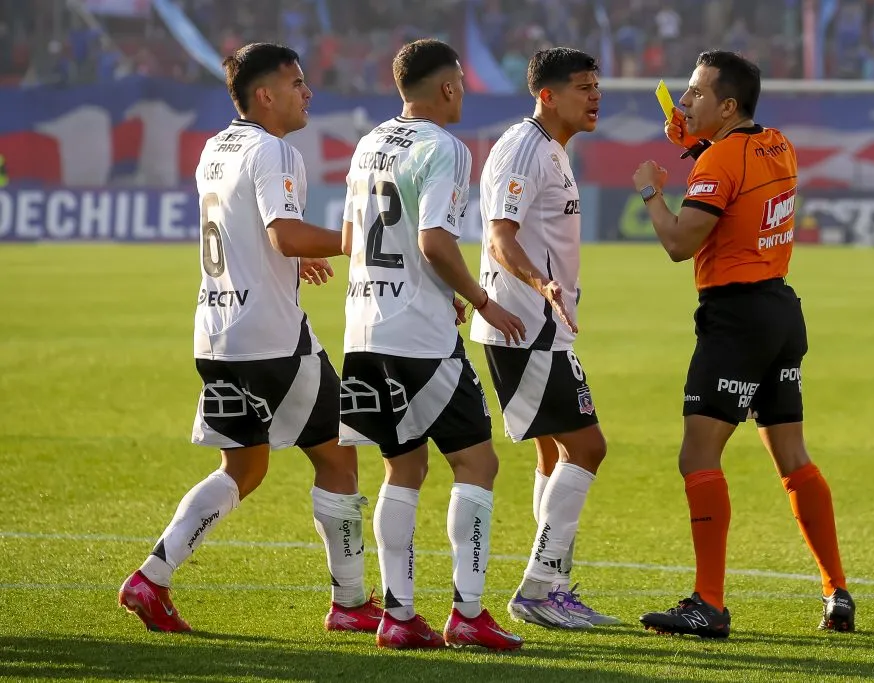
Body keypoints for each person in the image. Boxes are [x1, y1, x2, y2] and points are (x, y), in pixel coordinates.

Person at [117, 43, 382, 635]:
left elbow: (251, 235)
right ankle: (351, 601)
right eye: (296, 82)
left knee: (242, 466)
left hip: (215, 334)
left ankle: (151, 579)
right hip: (272, 339)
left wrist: (289, 260)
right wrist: (353, 238)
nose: (307, 91)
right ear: (265, 94)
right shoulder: (276, 150)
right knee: (339, 458)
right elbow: (284, 234)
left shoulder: (216, 147)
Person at [632, 50, 855, 638]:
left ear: (727, 105)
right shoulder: (776, 142)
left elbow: (681, 243)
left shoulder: (722, 159)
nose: (683, 103)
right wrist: (702, 143)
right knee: (792, 457)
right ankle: (837, 590)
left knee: (698, 455)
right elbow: (735, 167)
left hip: (735, 318)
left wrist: (652, 191)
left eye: (696, 94)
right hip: (780, 310)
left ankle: (709, 602)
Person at [338, 38, 525, 651]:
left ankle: (397, 615)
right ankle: (468, 613)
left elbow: (351, 235)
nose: (464, 93)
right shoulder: (445, 148)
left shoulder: (369, 143)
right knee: (477, 462)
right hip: (420, 337)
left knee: (404, 465)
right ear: (446, 87)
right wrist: (481, 298)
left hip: (364, 330)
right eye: (462, 83)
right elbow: (435, 242)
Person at [469, 47, 617, 629]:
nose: (595, 96)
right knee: (588, 448)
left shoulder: (551, 149)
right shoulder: (524, 148)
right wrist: (543, 284)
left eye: (596, 85)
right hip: (526, 325)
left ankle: (551, 584)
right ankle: (538, 589)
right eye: (584, 87)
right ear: (548, 95)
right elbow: (499, 237)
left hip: (539, 324)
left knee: (554, 452)